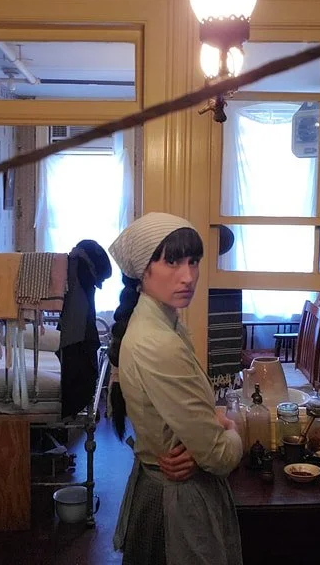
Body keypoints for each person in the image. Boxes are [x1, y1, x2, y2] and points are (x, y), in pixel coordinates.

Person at [107, 212, 243, 565]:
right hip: (179, 504)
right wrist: (233, 430)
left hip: (161, 489)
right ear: (142, 270)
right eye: (172, 261)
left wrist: (208, 429)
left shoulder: (163, 322)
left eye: (193, 261)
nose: (188, 276)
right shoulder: (157, 342)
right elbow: (219, 457)